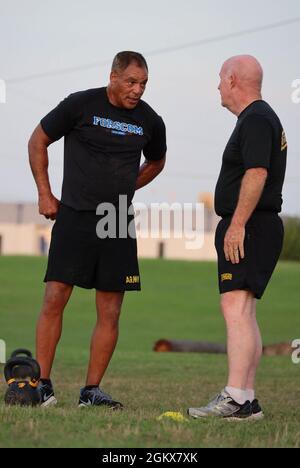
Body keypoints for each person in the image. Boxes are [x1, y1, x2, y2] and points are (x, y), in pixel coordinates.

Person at [28, 51, 167, 408]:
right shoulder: (80, 105)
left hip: (118, 218)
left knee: (110, 310)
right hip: (74, 215)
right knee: (55, 297)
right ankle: (42, 383)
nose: (138, 90)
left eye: (144, 84)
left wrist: (128, 186)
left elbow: (157, 160)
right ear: (113, 76)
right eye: (132, 82)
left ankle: (91, 391)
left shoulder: (150, 120)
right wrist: (45, 193)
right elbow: (37, 140)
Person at [188, 55, 287, 421]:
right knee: (244, 310)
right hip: (256, 225)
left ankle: (236, 399)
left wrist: (237, 224)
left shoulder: (257, 119)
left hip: (251, 225)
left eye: (219, 78)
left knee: (236, 310)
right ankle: (245, 398)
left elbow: (257, 173)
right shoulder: (260, 118)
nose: (217, 86)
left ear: (232, 80)